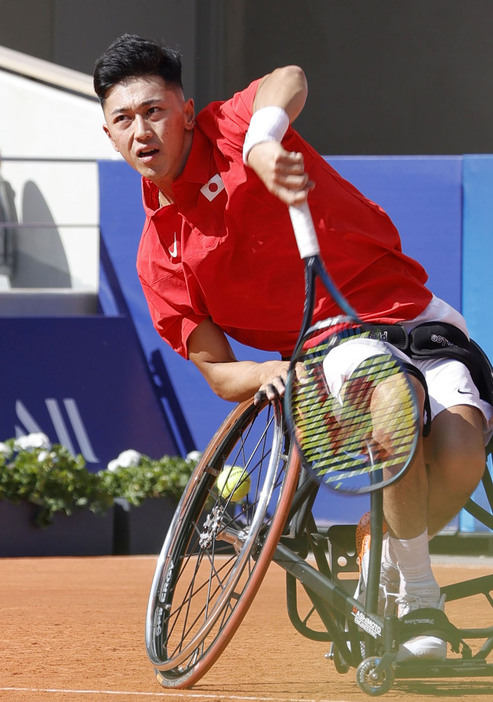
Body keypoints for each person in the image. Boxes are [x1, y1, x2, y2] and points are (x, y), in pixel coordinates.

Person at [93, 34, 492, 661]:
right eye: (124, 119)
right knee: (390, 397)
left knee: (464, 450)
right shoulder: (159, 257)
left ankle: (377, 540)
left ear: (185, 109)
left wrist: (262, 139)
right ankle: (420, 599)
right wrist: (268, 371)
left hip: (418, 314)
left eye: (154, 110)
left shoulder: (230, 128)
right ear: (110, 137)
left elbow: (290, 75)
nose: (142, 130)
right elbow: (220, 373)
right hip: (333, 342)